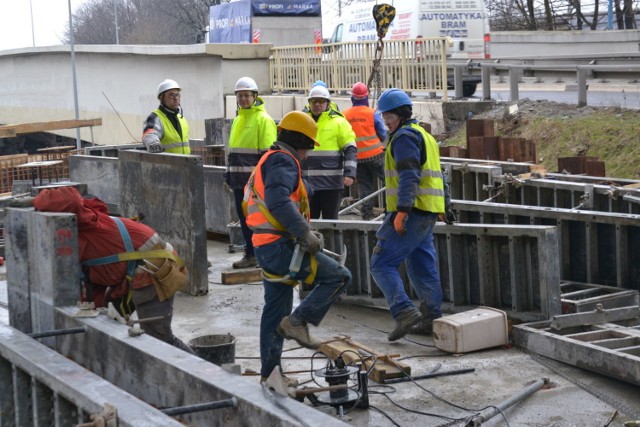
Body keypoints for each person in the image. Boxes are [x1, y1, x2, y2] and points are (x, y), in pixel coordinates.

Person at [243, 111, 352, 382]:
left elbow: (279, 201)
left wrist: (302, 228)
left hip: (265, 245)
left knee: (274, 313)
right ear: (299, 140)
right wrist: (304, 234)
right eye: (307, 147)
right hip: (280, 247)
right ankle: (298, 322)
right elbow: (279, 202)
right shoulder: (283, 160)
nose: (307, 154)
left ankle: (270, 376)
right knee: (339, 277)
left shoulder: (269, 159)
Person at [32, 186, 195, 354]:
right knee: (107, 324)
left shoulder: (82, 221)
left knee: (160, 341)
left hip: (154, 267)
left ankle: (207, 375)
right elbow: (93, 289)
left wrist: (33, 202)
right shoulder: (77, 249)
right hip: (132, 270)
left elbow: (71, 198)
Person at [370, 88, 453, 342]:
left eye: (388, 116)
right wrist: (445, 206)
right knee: (422, 267)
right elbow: (440, 175)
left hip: (411, 212)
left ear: (400, 115)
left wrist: (401, 212)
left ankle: (404, 311)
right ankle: (431, 319)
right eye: (383, 116)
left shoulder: (404, 137)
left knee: (381, 264)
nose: (385, 121)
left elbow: (409, 176)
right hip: (426, 212)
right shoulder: (424, 135)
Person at [225, 76, 278, 269]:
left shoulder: (263, 120)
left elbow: (268, 156)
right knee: (245, 220)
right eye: (240, 95)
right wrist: (229, 175)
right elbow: (234, 152)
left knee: (259, 220)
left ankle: (260, 255)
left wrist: (262, 181)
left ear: (255, 96)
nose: (244, 99)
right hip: (240, 182)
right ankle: (251, 253)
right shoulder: (239, 119)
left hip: (255, 184)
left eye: (247, 95)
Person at [304, 85, 357, 219]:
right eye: (313, 101)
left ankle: (329, 242)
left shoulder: (339, 122)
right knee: (309, 223)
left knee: (331, 223)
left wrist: (350, 174)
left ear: (328, 103)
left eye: (321, 101)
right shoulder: (302, 121)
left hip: (331, 184)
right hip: (307, 184)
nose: (317, 104)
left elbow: (350, 148)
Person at [342, 82, 388, 221]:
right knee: (390, 181)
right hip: (375, 155)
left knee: (365, 187)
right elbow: (382, 133)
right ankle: (390, 211)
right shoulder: (372, 113)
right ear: (366, 97)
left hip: (357, 159)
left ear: (353, 98)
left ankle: (366, 216)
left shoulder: (344, 115)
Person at [142, 79, 191, 154]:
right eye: (171, 95)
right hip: (167, 164)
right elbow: (149, 133)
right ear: (162, 98)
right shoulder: (155, 117)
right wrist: (153, 144)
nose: (176, 98)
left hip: (186, 164)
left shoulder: (182, 119)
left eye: (177, 95)